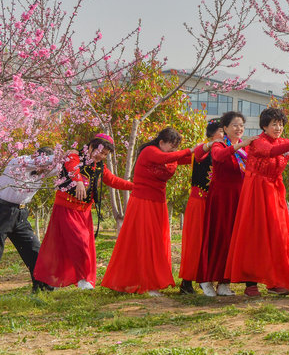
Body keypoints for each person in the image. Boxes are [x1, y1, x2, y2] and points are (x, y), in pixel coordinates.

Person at [34, 134, 134, 289]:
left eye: (105, 154)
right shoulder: (74, 155)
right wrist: (78, 181)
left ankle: (77, 279)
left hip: (85, 212)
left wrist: (134, 186)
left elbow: (113, 180)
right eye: (100, 151)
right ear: (92, 145)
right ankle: (80, 279)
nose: (101, 156)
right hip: (66, 208)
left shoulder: (100, 166)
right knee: (78, 242)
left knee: (83, 244)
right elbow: (71, 167)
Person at [101, 128, 192, 295]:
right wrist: (190, 150)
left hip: (158, 202)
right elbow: (168, 157)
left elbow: (185, 158)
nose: (173, 150)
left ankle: (149, 281)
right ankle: (147, 283)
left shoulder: (170, 156)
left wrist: (207, 149)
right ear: (161, 142)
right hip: (143, 203)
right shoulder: (151, 151)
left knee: (156, 242)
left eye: (175, 146)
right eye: (171, 145)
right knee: (146, 241)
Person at [225, 107, 289, 297]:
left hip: (275, 191)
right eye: (274, 124)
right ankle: (251, 283)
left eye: (281, 124)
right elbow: (272, 151)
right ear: (264, 126)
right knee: (255, 235)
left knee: (278, 235)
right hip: (256, 192)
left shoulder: (284, 142)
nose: (278, 128)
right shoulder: (257, 142)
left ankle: (274, 281)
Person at [197, 112, 254, 297]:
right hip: (221, 198)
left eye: (241, 126)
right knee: (217, 237)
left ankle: (224, 281)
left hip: (239, 198)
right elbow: (219, 157)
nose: (239, 129)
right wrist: (238, 146)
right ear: (225, 128)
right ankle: (206, 279)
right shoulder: (220, 144)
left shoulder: (245, 149)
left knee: (231, 239)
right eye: (235, 125)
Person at [0, 147, 62, 292]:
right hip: (0, 211)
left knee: (34, 248)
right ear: (36, 158)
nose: (44, 170)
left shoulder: (45, 170)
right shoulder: (19, 162)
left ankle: (43, 287)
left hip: (21, 214)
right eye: (43, 165)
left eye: (48, 167)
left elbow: (64, 166)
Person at [178, 119, 222, 294]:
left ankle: (207, 277)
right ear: (212, 133)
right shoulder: (203, 148)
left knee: (210, 240)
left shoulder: (224, 150)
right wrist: (209, 144)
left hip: (214, 202)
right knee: (195, 240)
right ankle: (187, 281)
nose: (223, 135)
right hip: (199, 201)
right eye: (221, 131)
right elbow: (197, 154)